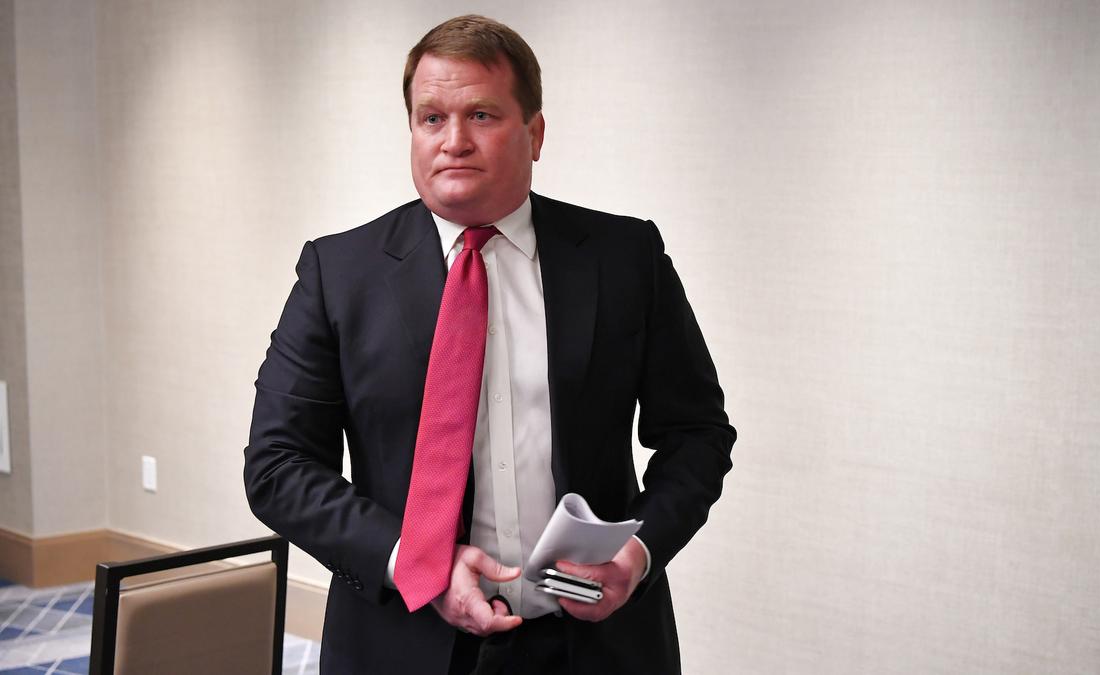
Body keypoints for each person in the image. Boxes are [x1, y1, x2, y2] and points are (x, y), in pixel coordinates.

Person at [244, 14, 734, 675]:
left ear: (534, 134)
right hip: (403, 640)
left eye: (480, 115)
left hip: (599, 645)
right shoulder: (339, 274)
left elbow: (698, 434)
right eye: (431, 119)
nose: (453, 141)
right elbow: (278, 466)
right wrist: (417, 561)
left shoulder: (625, 258)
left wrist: (638, 553)